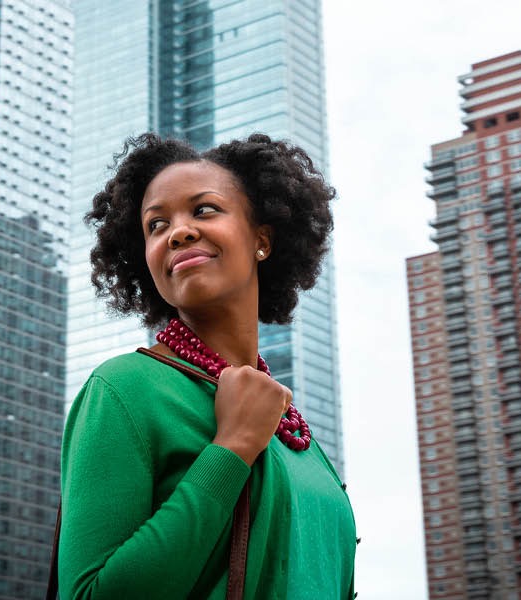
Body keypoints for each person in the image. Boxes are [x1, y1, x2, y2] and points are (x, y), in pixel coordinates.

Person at [58, 133, 356, 599]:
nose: (178, 231)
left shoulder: (302, 441)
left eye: (204, 210)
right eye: (156, 225)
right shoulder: (123, 390)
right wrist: (232, 448)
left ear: (262, 238)